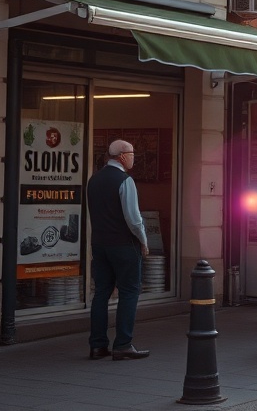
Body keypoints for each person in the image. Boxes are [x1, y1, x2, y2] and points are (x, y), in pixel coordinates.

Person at [87, 139, 150, 360]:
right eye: (132, 154)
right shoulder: (125, 181)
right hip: (124, 245)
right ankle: (123, 344)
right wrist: (143, 241)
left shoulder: (94, 180)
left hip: (100, 243)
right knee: (129, 292)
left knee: (101, 293)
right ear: (122, 156)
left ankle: (97, 346)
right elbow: (133, 219)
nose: (133, 158)